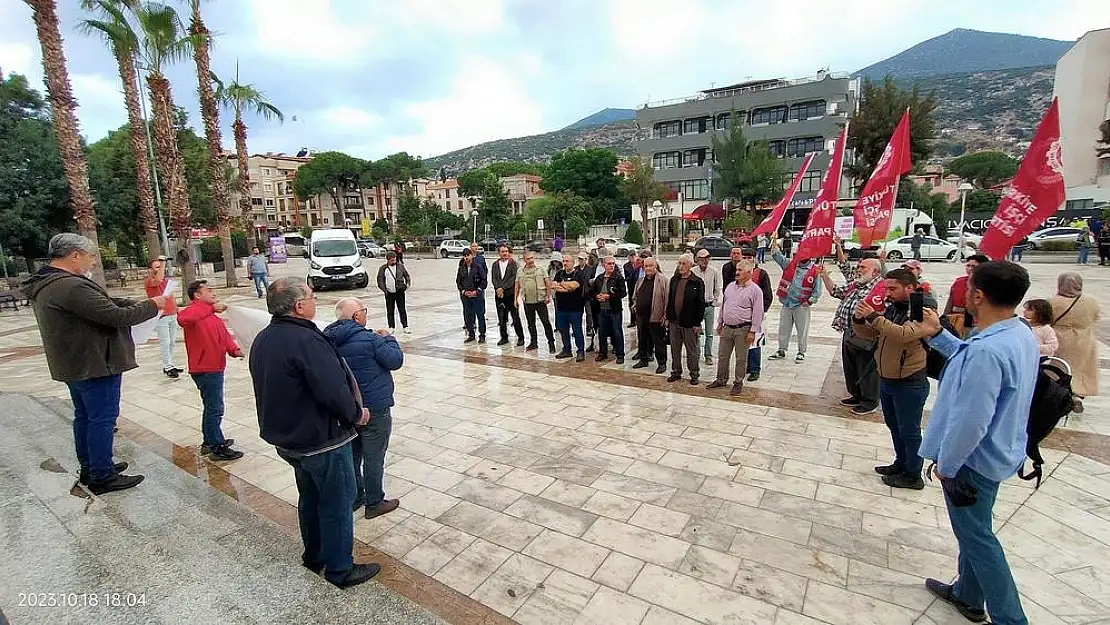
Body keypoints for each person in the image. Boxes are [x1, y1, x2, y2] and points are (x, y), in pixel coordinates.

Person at [918, 261, 1038, 625]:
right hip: (1001, 452)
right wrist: (937, 334)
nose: (964, 292)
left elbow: (971, 421)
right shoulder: (1015, 335)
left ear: (979, 295)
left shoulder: (989, 349)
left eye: (969, 286)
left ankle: (1010, 619)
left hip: (974, 462)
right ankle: (968, 594)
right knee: (973, 532)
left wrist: (948, 465)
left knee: (978, 539)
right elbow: (969, 362)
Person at [249, 277, 379, 588]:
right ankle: (339, 569)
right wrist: (356, 414)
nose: (315, 301)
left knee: (310, 497)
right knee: (337, 502)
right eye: (310, 297)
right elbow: (332, 390)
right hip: (322, 441)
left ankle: (315, 555)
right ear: (298, 306)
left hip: (290, 439)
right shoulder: (307, 341)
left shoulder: (265, 338)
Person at [23, 233, 163, 494]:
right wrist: (153, 306)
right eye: (90, 257)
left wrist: (137, 303)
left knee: (85, 416)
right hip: (95, 364)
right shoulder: (70, 286)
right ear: (74, 255)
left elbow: (100, 304)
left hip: (75, 363)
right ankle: (101, 475)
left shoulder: (50, 282)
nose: (92, 262)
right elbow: (114, 315)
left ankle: (93, 466)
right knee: (102, 418)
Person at [852, 268, 933, 490]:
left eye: (893, 288)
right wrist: (859, 320)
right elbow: (875, 334)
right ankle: (901, 463)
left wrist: (873, 316)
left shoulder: (922, 308)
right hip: (888, 378)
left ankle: (913, 474)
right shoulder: (893, 307)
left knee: (909, 430)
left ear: (910, 287)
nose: (888, 292)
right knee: (894, 426)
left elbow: (904, 335)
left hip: (909, 380)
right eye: (887, 288)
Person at [324, 298, 403, 520]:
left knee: (353, 454)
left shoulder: (326, 339)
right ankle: (374, 502)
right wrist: (389, 339)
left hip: (348, 408)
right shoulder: (371, 339)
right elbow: (395, 360)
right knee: (374, 456)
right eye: (364, 311)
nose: (365, 315)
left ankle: (356, 496)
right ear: (357, 316)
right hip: (375, 407)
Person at [177, 280, 245, 461]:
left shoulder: (212, 317)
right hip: (204, 368)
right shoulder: (194, 311)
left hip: (215, 365)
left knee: (212, 406)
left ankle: (210, 440)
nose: (213, 293)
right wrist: (211, 309)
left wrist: (235, 350)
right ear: (197, 295)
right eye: (208, 290)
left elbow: (223, 337)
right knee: (215, 408)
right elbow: (183, 319)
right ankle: (217, 446)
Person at [819, 256, 884, 416]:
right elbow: (836, 291)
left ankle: (869, 401)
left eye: (863, 267)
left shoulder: (880, 288)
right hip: (848, 331)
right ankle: (856, 395)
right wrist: (824, 275)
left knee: (866, 368)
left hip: (866, 334)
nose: (858, 269)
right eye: (859, 266)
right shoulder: (856, 285)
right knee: (851, 367)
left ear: (875, 272)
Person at [707, 259, 764, 395]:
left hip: (743, 329)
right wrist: (720, 323)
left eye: (740, 270)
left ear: (749, 272)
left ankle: (738, 382)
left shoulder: (755, 291)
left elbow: (758, 312)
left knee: (741, 358)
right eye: (736, 269)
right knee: (722, 355)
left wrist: (753, 331)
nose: (736, 272)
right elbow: (723, 306)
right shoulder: (730, 286)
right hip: (727, 327)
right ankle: (721, 379)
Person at [1048, 272, 1100, 413]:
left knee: (1060, 368)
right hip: (1084, 339)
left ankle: (1059, 395)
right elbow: (1096, 317)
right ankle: (1077, 396)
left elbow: (1047, 319)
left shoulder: (1052, 302)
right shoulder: (1091, 301)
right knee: (1080, 369)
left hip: (1061, 339)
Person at [769, 237, 822, 363]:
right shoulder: (789, 264)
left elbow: (817, 291)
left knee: (802, 329)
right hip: (787, 303)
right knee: (783, 327)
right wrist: (774, 241)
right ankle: (782, 349)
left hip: (801, 305)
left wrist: (810, 301)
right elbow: (777, 255)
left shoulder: (815, 270)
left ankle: (801, 351)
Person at [665, 253, 706, 384]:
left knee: (691, 350)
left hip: (689, 323)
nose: (681, 266)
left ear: (690, 265)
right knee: (675, 349)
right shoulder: (674, 279)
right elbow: (670, 300)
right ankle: (676, 372)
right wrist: (668, 316)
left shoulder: (697, 282)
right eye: (679, 263)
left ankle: (694, 374)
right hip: (674, 322)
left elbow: (700, 304)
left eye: (683, 264)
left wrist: (697, 323)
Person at [145, 257, 182, 379]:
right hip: (161, 317)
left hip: (172, 314)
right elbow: (158, 280)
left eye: (160, 266)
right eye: (157, 266)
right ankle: (168, 366)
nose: (160, 268)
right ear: (150, 270)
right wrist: (163, 263)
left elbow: (171, 296)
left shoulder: (166, 281)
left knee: (171, 341)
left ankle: (169, 364)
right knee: (165, 342)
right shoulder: (150, 281)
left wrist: (176, 310)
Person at [633, 257, 669, 373]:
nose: (648, 268)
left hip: (656, 317)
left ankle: (662, 363)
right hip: (642, 316)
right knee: (642, 339)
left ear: (656, 266)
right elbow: (635, 296)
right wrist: (634, 305)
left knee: (659, 341)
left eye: (650, 266)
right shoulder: (641, 280)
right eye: (646, 266)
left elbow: (668, 299)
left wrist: (666, 315)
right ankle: (643, 359)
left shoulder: (663, 280)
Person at [515, 250, 555, 353]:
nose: (531, 260)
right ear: (524, 260)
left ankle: (551, 343)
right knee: (530, 324)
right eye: (528, 259)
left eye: (532, 258)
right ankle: (534, 343)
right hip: (527, 301)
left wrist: (548, 296)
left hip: (540, 300)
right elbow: (517, 285)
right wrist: (516, 299)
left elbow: (548, 283)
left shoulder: (540, 269)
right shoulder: (520, 271)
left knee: (546, 322)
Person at [589, 256, 627, 363]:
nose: (611, 266)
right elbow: (593, 291)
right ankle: (603, 353)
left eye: (613, 264)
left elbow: (623, 293)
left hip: (614, 310)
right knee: (602, 332)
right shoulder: (599, 278)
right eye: (609, 264)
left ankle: (620, 355)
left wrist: (609, 296)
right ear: (604, 265)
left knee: (617, 331)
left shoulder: (618, 278)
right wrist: (597, 296)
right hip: (602, 310)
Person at [551, 253, 586, 361]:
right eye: (564, 261)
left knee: (577, 330)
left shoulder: (578, 274)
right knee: (563, 330)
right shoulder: (559, 273)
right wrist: (567, 286)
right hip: (561, 308)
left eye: (567, 261)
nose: (565, 263)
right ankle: (567, 350)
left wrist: (562, 285)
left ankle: (580, 351)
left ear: (573, 262)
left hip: (575, 309)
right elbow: (554, 286)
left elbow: (575, 286)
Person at [943, 254, 988, 338]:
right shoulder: (959, 281)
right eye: (968, 265)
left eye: (973, 266)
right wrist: (944, 317)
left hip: (975, 323)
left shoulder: (986, 285)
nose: (970, 268)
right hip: (954, 321)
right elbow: (950, 300)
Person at [692, 249, 723, 366]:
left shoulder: (714, 271)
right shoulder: (693, 271)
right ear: (697, 259)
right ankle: (696, 354)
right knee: (696, 332)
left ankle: (708, 355)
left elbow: (717, 288)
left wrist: (714, 302)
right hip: (696, 307)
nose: (704, 261)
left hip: (709, 305)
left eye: (706, 258)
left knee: (709, 333)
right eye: (702, 258)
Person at [491, 244, 525, 347]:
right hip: (499, 295)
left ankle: (521, 337)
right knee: (501, 317)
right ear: (499, 253)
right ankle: (504, 337)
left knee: (515, 317)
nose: (505, 253)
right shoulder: (495, 264)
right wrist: (498, 288)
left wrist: (503, 288)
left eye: (506, 251)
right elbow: (494, 278)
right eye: (502, 251)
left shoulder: (512, 263)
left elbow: (513, 278)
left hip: (510, 294)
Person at [457, 248, 487, 344]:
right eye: (465, 256)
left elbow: (484, 281)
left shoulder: (478, 267)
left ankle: (482, 335)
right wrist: (463, 291)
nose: (466, 258)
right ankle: (471, 334)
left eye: (468, 255)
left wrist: (477, 291)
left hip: (477, 296)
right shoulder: (461, 268)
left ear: (471, 256)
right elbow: (458, 282)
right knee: (468, 315)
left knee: (480, 315)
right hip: (466, 296)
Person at [376, 251, 411, 334]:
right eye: (392, 260)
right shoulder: (383, 268)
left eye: (395, 260)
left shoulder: (400, 266)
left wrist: (407, 285)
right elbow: (380, 280)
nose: (394, 262)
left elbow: (407, 276)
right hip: (389, 293)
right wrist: (384, 289)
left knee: (402, 309)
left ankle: (405, 326)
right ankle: (391, 327)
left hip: (399, 292)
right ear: (387, 260)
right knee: (390, 311)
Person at [623, 253, 643, 329]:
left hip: (638, 287)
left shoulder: (638, 264)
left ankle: (638, 320)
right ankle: (632, 320)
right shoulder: (626, 266)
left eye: (633, 256)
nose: (632, 258)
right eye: (630, 256)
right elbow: (626, 277)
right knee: (631, 303)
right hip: (631, 286)